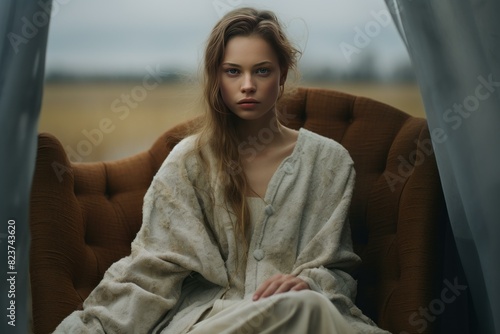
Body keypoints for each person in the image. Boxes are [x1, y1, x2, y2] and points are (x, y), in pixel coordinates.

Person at [54, 7, 390, 334]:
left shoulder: (329, 162)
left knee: (308, 306)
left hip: (300, 317)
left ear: (282, 74)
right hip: (213, 321)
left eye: (261, 71)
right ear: (217, 77)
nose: (247, 85)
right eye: (233, 71)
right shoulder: (188, 162)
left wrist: (309, 282)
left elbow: (336, 269)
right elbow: (151, 269)